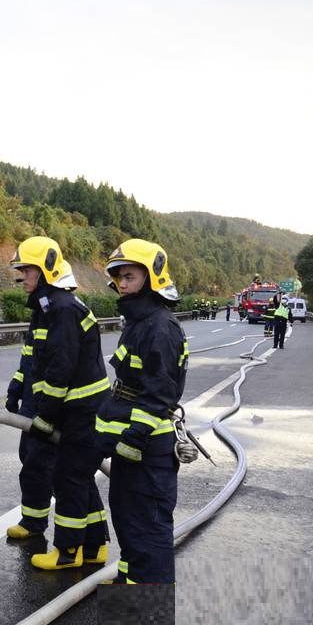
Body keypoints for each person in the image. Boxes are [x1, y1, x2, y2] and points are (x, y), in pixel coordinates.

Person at [9, 236, 111, 570]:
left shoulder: (62, 309)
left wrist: (44, 417)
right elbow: (41, 361)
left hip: (80, 411)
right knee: (79, 477)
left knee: (69, 478)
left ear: (45, 270)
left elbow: (60, 371)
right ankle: (95, 546)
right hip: (78, 410)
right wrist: (21, 386)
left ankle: (67, 553)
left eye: (26, 269)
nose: (20, 275)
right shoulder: (50, 306)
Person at [95, 239, 189, 584]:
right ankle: (129, 590)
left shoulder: (159, 328)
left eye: (130, 276)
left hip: (147, 450)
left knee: (148, 531)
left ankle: (145, 624)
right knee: (129, 521)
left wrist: (133, 437)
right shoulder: (140, 322)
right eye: (118, 277)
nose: (122, 284)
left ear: (152, 278)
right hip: (132, 448)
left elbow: (158, 393)